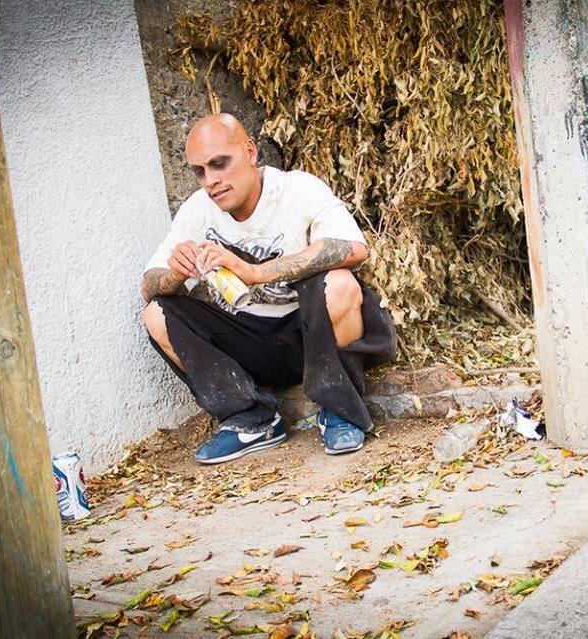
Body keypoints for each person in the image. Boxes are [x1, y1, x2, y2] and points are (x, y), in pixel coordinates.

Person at [141, 113, 397, 464]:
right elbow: (148, 284)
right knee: (156, 313)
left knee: (338, 283)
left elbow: (353, 248)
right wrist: (175, 273)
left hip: (311, 333)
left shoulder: (296, 190)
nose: (210, 181)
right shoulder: (197, 210)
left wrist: (255, 272)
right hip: (250, 342)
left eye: (219, 163)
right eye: (199, 171)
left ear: (250, 152)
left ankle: (339, 408)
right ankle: (251, 419)